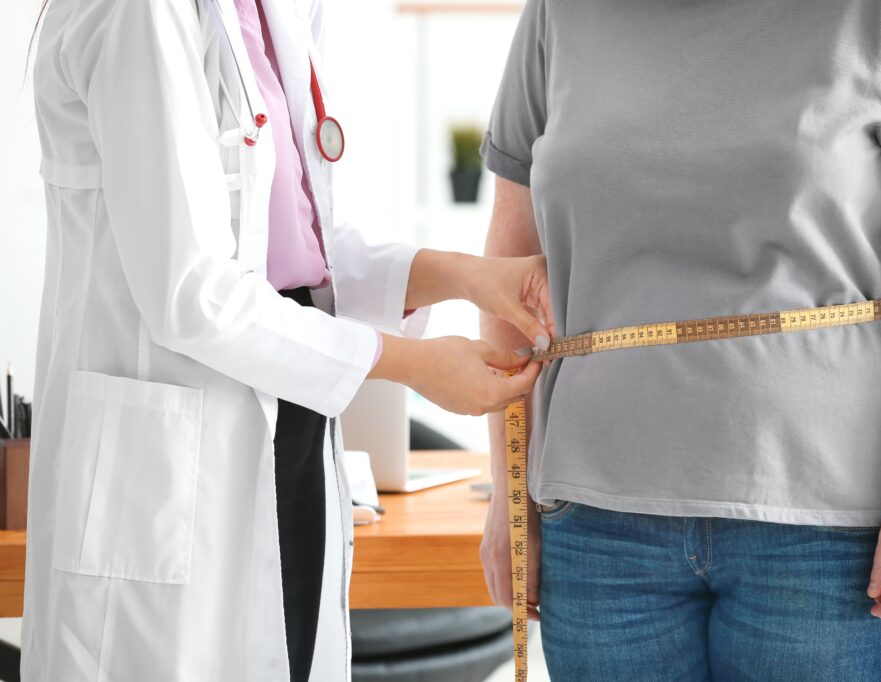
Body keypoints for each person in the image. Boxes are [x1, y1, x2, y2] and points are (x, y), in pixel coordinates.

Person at [478, 0, 881, 679]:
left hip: (830, 532)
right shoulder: (558, 14)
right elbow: (508, 270)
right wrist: (507, 489)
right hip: (596, 527)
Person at [24, 0, 554, 680]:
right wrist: (413, 365)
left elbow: (303, 254)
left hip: (290, 435)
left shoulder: (280, 10)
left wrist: (469, 277)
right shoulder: (139, 12)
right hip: (170, 468)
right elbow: (193, 292)